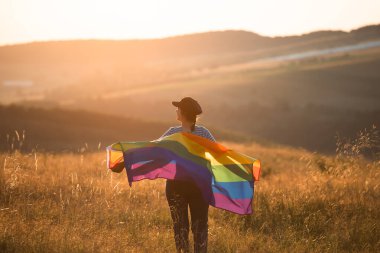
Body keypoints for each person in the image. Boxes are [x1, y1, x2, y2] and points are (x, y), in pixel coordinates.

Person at [159, 97, 216, 253]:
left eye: (178, 108)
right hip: (200, 186)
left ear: (183, 113)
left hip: (176, 186)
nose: (176, 110)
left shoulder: (172, 133)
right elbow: (217, 154)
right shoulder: (204, 133)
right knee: (200, 227)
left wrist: (128, 157)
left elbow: (154, 149)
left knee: (180, 227)